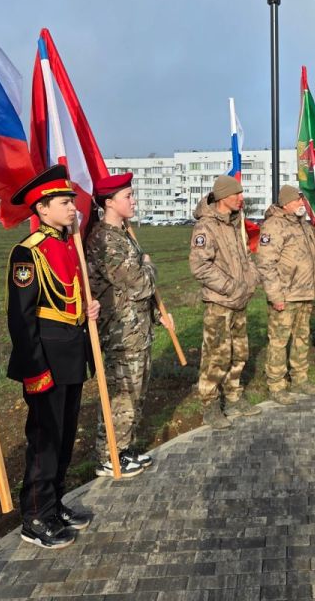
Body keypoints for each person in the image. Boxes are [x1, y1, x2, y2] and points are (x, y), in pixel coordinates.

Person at [6, 165, 100, 549]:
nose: (72, 208)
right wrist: (35, 370)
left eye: (72, 201)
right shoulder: (29, 253)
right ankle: (34, 516)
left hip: (72, 351)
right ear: (42, 210)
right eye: (64, 202)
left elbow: (71, 296)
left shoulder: (68, 244)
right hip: (46, 356)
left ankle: (54, 502)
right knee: (44, 440)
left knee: (63, 438)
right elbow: (21, 318)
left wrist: (86, 310)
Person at [86, 172, 175, 478]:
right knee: (121, 394)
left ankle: (124, 446)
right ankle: (109, 453)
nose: (133, 200)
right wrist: (148, 264)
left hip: (136, 328)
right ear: (109, 202)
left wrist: (156, 315)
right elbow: (137, 283)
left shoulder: (122, 234)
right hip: (119, 332)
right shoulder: (104, 239)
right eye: (127, 196)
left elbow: (138, 292)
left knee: (135, 392)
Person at [188, 176, 261, 429]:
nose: (242, 198)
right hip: (220, 302)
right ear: (222, 197)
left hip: (240, 300)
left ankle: (233, 397)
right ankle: (209, 405)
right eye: (237, 194)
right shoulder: (206, 227)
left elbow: (245, 257)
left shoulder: (234, 223)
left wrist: (251, 280)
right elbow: (199, 266)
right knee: (216, 355)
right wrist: (231, 286)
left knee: (239, 352)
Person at [255, 185, 315, 403]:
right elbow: (265, 264)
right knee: (279, 341)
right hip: (286, 295)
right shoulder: (274, 226)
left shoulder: (302, 225)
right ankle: (276, 385)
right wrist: (276, 295)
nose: (302, 204)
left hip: (304, 292)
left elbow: (314, 251)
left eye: (302, 200)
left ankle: (299, 378)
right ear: (286, 203)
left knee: (301, 338)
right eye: (297, 201)